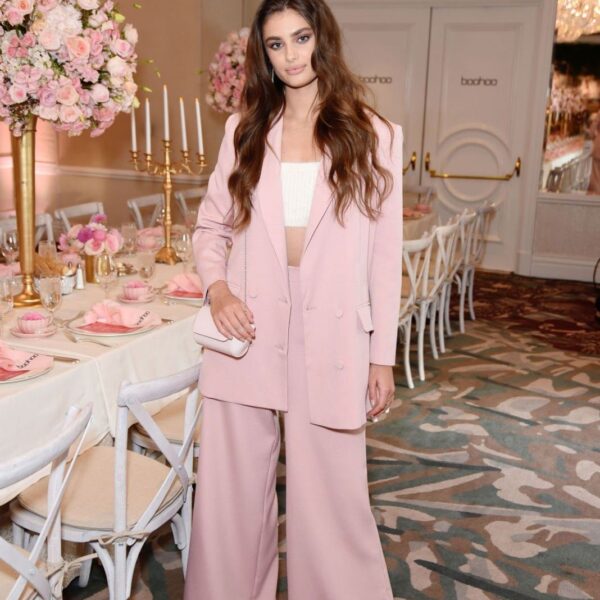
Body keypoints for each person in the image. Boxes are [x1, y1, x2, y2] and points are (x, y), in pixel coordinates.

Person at [184, 0, 402, 597]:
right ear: (264, 54)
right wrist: (218, 289)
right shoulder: (245, 130)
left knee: (333, 495)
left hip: (333, 327)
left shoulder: (374, 134)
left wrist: (382, 356)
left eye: (301, 38)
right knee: (230, 494)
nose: (291, 56)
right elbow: (211, 227)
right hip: (249, 322)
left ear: (322, 39)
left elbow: (385, 260)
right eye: (276, 44)